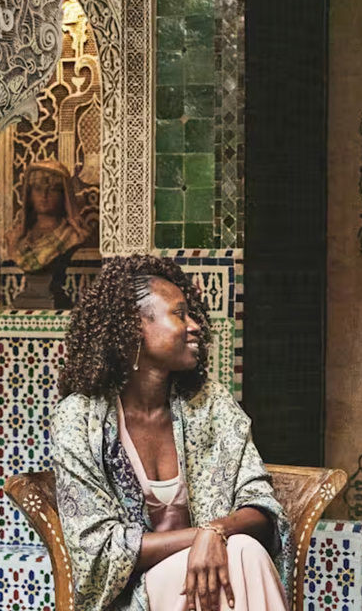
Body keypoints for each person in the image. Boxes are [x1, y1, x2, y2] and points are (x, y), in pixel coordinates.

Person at [53, 255, 292, 611]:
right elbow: (99, 549)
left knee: (243, 552)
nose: (195, 325)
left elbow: (262, 506)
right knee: (242, 554)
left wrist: (217, 533)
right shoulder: (80, 418)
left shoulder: (210, 404)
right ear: (134, 327)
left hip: (217, 577)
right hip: (135, 594)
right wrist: (204, 537)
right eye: (180, 314)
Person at [3, 160, 98, 274]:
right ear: (29, 194)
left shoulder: (72, 236)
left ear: (64, 195)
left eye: (53, 189)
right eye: (38, 188)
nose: (44, 195)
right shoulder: (15, 237)